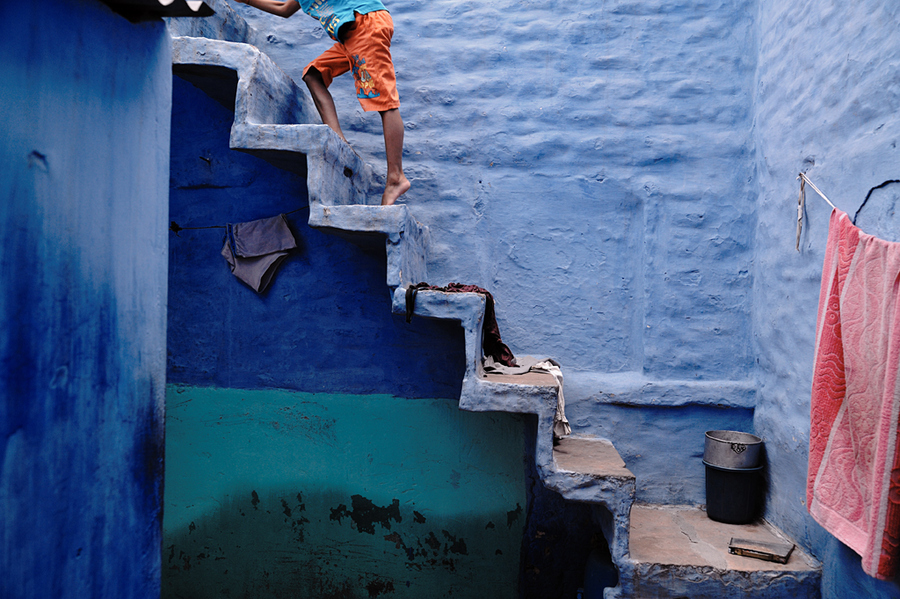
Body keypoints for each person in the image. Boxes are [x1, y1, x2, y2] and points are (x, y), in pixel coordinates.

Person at [232, 0, 410, 205]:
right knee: (313, 75)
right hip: (351, 33)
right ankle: (338, 139)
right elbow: (283, 8)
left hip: (364, 22)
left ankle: (396, 177)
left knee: (384, 101)